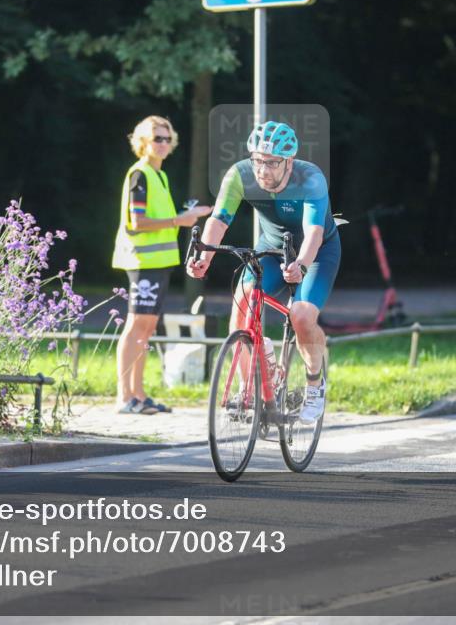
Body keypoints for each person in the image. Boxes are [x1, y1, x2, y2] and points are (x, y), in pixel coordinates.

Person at [186, 121, 340, 422]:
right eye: (257, 160)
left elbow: (313, 233)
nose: (262, 170)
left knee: (301, 316)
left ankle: (314, 384)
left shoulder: (311, 179)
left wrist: (302, 265)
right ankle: (251, 392)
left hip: (318, 251)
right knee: (241, 311)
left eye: (271, 163)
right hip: (271, 248)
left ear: (289, 161)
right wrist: (204, 255)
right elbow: (219, 220)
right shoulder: (240, 175)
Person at [112, 115, 211, 415]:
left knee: (147, 328)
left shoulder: (160, 176)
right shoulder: (139, 174)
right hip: (143, 262)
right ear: (143, 142)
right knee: (135, 328)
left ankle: (139, 394)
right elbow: (137, 222)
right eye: (157, 138)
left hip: (160, 262)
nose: (164, 144)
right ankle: (124, 396)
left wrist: (186, 216)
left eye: (167, 138)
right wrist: (178, 221)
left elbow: (160, 220)